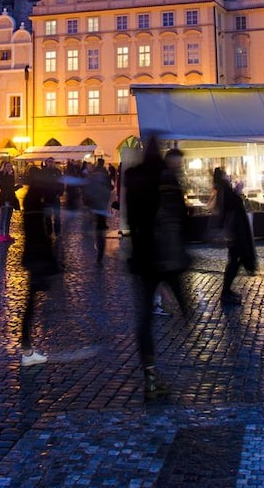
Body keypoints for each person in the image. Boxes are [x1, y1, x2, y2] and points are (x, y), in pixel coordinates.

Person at [125, 138, 190, 401]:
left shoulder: (134, 178)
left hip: (143, 258)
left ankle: (150, 374)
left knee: (144, 317)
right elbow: (181, 218)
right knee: (182, 301)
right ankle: (187, 320)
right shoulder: (166, 179)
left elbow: (131, 219)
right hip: (166, 256)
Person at [20, 166, 60, 366]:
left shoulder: (32, 200)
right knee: (31, 303)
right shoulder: (35, 201)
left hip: (34, 255)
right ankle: (27, 351)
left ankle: (27, 349)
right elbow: (37, 233)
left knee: (32, 301)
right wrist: (49, 257)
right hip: (37, 257)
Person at [213, 167, 257, 304]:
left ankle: (227, 291)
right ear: (222, 177)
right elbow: (231, 207)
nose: (228, 176)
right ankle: (225, 292)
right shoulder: (224, 190)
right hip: (235, 232)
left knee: (235, 260)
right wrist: (237, 192)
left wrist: (236, 192)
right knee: (234, 261)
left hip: (236, 231)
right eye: (226, 174)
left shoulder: (224, 189)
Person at [84, 158, 113, 265]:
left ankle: (99, 251)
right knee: (100, 227)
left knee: (98, 227)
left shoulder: (92, 175)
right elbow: (110, 187)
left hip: (95, 204)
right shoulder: (105, 174)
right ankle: (100, 254)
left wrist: (88, 202)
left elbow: (87, 189)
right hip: (102, 204)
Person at [0, 160, 20, 243]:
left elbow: (11, 188)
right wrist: (9, 176)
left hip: (11, 198)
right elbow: (3, 186)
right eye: (8, 166)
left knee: (8, 218)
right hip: (5, 198)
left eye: (10, 166)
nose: (9, 168)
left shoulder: (11, 175)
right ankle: (1, 235)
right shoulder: (1, 175)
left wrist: (17, 187)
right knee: (3, 218)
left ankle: (6, 234)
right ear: (4, 167)